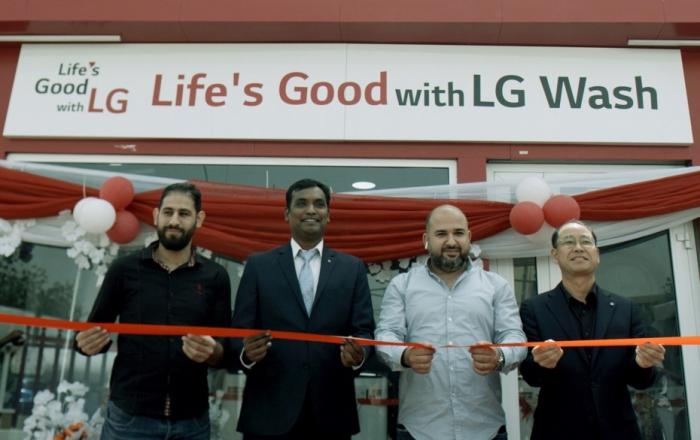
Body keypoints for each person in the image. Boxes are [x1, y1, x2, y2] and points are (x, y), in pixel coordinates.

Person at [75, 182, 231, 440]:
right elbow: (92, 332)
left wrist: (214, 352)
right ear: (156, 215)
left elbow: (225, 348)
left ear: (199, 219)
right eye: (168, 212)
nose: (174, 221)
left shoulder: (216, 276)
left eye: (184, 213)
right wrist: (85, 344)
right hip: (129, 420)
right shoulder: (124, 269)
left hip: (192, 422)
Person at [227, 178, 374, 440]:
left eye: (319, 204)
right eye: (301, 203)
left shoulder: (352, 269)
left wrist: (358, 354)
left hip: (332, 412)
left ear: (328, 214)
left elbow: (364, 332)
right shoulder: (259, 266)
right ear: (287, 214)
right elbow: (239, 332)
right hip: (268, 412)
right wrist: (246, 353)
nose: (311, 210)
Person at [375, 204, 526, 440]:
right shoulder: (402, 285)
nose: (451, 241)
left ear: (469, 237)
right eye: (441, 234)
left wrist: (499, 356)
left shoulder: (496, 285)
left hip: (484, 427)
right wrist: (404, 355)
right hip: (419, 430)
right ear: (426, 240)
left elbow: (514, 336)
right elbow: (386, 334)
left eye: (458, 233)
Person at [519, 219, 666, 440]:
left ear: (597, 254)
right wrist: (541, 363)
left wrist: (643, 363)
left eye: (586, 242)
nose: (578, 247)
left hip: (618, 431)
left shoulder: (626, 309)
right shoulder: (534, 308)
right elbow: (531, 376)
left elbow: (642, 380)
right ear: (555, 254)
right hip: (558, 431)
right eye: (569, 242)